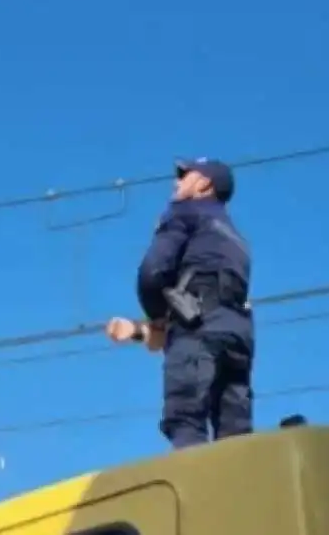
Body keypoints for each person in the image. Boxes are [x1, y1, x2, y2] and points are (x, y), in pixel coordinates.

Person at [106, 158, 255, 449]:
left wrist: (157, 319)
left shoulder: (184, 212)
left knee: (185, 418)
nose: (177, 182)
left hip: (198, 328)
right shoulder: (237, 238)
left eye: (185, 176)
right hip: (239, 336)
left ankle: (200, 492)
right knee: (235, 433)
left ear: (204, 184)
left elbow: (152, 272)